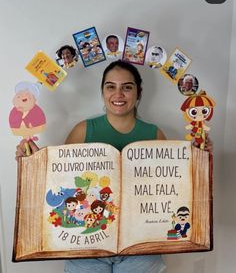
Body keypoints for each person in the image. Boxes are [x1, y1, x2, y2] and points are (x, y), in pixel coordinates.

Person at [15, 60, 212, 272]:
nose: (118, 94)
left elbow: (172, 188)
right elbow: (60, 182)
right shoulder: (82, 131)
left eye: (127, 87)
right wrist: (32, 163)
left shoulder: (155, 134)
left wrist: (199, 160)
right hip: (87, 246)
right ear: (102, 91)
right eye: (111, 87)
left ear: (139, 92)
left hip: (141, 248)